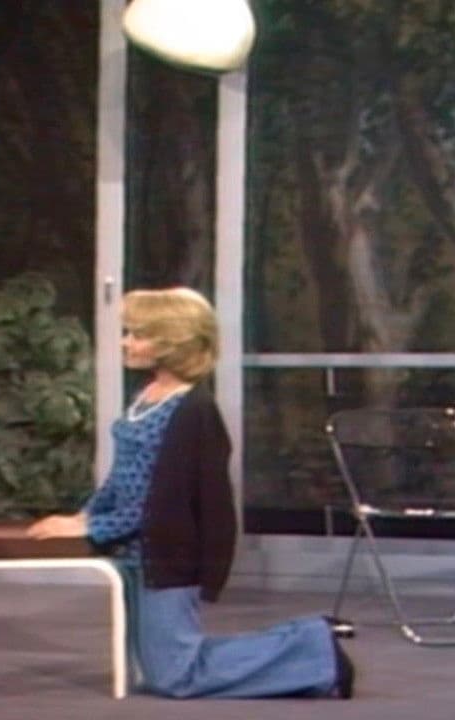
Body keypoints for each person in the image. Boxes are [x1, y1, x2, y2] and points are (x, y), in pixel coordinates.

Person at [26, 287, 356, 700]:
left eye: (138, 334)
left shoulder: (193, 411)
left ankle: (315, 649)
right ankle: (311, 647)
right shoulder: (146, 398)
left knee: (175, 676)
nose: (126, 342)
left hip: (169, 554)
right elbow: (122, 476)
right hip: (134, 552)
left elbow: (163, 504)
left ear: (170, 343)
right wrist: (83, 516)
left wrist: (93, 527)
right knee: (164, 668)